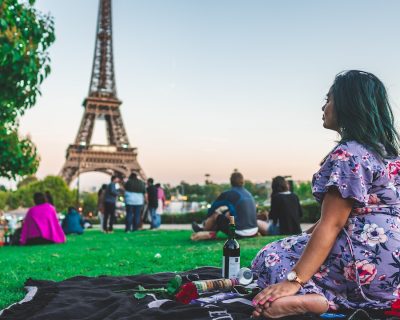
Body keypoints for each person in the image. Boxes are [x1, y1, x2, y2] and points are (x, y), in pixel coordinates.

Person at [251, 70, 400, 318]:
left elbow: (332, 223)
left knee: (270, 256)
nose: (324, 106)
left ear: (348, 105)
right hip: (392, 270)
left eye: (328, 99)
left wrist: (294, 281)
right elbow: (334, 218)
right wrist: (303, 238)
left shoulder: (349, 153)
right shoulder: (390, 155)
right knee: (296, 245)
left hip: (364, 260)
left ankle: (315, 300)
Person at [192, 171, 258, 238]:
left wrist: (207, 219)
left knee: (215, 215)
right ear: (243, 181)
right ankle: (210, 232)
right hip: (254, 231)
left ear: (231, 181)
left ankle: (203, 230)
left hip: (239, 232)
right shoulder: (249, 194)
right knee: (226, 214)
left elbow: (213, 207)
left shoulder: (229, 194)